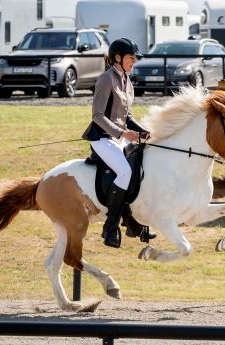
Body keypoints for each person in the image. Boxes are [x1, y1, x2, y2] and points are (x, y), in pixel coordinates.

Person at [82, 38, 156, 248]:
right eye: (131, 58)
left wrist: (142, 130)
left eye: (134, 58)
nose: (134, 61)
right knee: (124, 172)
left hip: (119, 139)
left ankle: (133, 223)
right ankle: (110, 228)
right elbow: (97, 115)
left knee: (140, 167)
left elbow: (127, 115)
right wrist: (123, 133)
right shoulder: (106, 79)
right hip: (102, 139)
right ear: (117, 57)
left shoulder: (127, 80)